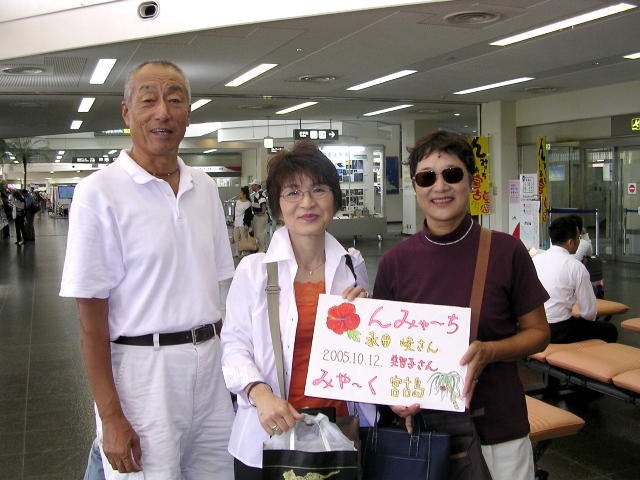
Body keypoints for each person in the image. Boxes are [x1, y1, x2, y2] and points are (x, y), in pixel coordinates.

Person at [59, 60, 235, 480]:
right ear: (127, 113)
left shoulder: (204, 187)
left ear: (188, 113)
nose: (163, 112)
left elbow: (213, 288)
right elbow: (89, 321)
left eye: (175, 100)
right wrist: (110, 416)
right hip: (143, 375)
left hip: (210, 368)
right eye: (149, 100)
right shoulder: (98, 193)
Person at [373, 130, 550, 480]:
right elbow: (383, 352)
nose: (439, 186)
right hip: (424, 430)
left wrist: (490, 351)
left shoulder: (506, 251)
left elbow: (539, 333)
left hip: (497, 427)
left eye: (452, 174)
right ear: (415, 187)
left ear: (472, 181)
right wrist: (393, 400)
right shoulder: (395, 262)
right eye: (427, 177)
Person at [221, 141, 375, 479]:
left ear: (334, 199)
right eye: (293, 192)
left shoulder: (352, 265)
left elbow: (366, 351)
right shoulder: (254, 272)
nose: (307, 202)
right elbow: (233, 347)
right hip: (269, 434)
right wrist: (260, 393)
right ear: (277, 205)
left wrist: (366, 323)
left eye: (318, 190)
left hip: (339, 434)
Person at [533, 216, 618, 344]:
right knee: (609, 330)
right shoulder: (576, 266)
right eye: (578, 238)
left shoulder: (535, 260)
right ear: (570, 242)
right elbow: (589, 313)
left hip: (534, 327)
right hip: (558, 331)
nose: (579, 242)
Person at [232, 186, 252, 257]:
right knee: (236, 238)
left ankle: (244, 252)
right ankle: (238, 252)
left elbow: (248, 215)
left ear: (244, 195)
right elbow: (235, 213)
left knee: (243, 239)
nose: (239, 193)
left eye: (241, 192)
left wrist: (246, 224)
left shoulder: (248, 203)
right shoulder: (237, 202)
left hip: (243, 224)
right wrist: (234, 221)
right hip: (236, 223)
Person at [249, 179, 269, 252]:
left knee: (260, 233)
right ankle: (260, 248)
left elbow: (263, 203)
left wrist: (262, 212)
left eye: (252, 185)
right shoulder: (256, 193)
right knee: (257, 233)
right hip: (257, 215)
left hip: (261, 216)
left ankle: (262, 249)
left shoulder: (260, 193)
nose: (251, 186)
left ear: (257, 185)